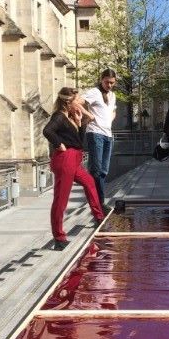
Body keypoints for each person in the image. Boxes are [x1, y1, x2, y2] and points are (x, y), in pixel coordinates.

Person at [43, 88, 104, 248]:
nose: (80, 103)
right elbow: (47, 130)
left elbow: (78, 141)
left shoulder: (69, 117)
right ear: (68, 102)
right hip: (65, 160)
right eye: (77, 100)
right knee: (61, 200)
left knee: (89, 182)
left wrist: (79, 124)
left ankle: (98, 216)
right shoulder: (58, 117)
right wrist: (59, 144)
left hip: (74, 159)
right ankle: (59, 238)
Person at [83, 69, 117, 206]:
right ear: (101, 79)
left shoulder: (113, 95)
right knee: (96, 170)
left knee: (104, 171)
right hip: (95, 133)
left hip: (108, 134)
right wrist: (89, 115)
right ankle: (99, 204)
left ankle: (99, 203)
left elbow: (113, 110)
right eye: (107, 82)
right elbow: (76, 102)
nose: (109, 85)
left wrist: (109, 120)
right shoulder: (94, 92)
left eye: (112, 83)